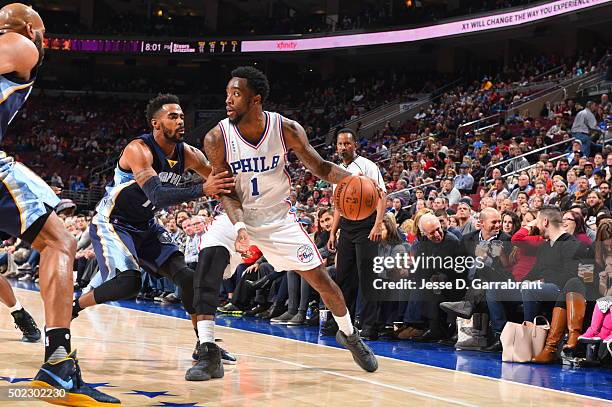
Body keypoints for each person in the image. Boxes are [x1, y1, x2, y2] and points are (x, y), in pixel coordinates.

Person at [189, 66, 378, 382]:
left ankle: (348, 333)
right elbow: (225, 191)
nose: (228, 100)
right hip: (236, 216)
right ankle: (208, 351)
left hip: (277, 219)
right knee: (208, 265)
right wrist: (239, 228)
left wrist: (355, 179)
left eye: (236, 94)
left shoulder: (285, 128)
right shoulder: (216, 137)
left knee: (321, 280)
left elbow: (319, 166)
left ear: (255, 99)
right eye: (227, 94)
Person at [0, 4, 120, 404]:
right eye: (44, 31)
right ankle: (57, 365)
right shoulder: (20, 44)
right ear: (31, 28)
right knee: (59, 243)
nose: (45, 40)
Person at [71, 94, 235, 362]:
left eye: (182, 116)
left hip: (145, 224)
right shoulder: (139, 149)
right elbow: (158, 195)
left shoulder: (190, 154)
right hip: (113, 221)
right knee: (128, 283)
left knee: (186, 277)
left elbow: (220, 180)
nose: (180, 121)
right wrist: (203, 189)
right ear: (156, 124)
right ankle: (74, 306)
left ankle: (205, 343)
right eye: (173, 116)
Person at [327, 127, 387, 340]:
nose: (343, 147)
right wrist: (334, 232)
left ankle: (371, 326)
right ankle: (345, 325)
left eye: (347, 144)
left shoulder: (368, 166)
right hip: (347, 226)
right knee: (344, 277)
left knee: (368, 277)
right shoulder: (335, 170)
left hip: (367, 224)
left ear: (355, 145)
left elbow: (382, 196)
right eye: (340, 144)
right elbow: (338, 205)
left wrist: (378, 225)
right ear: (336, 146)